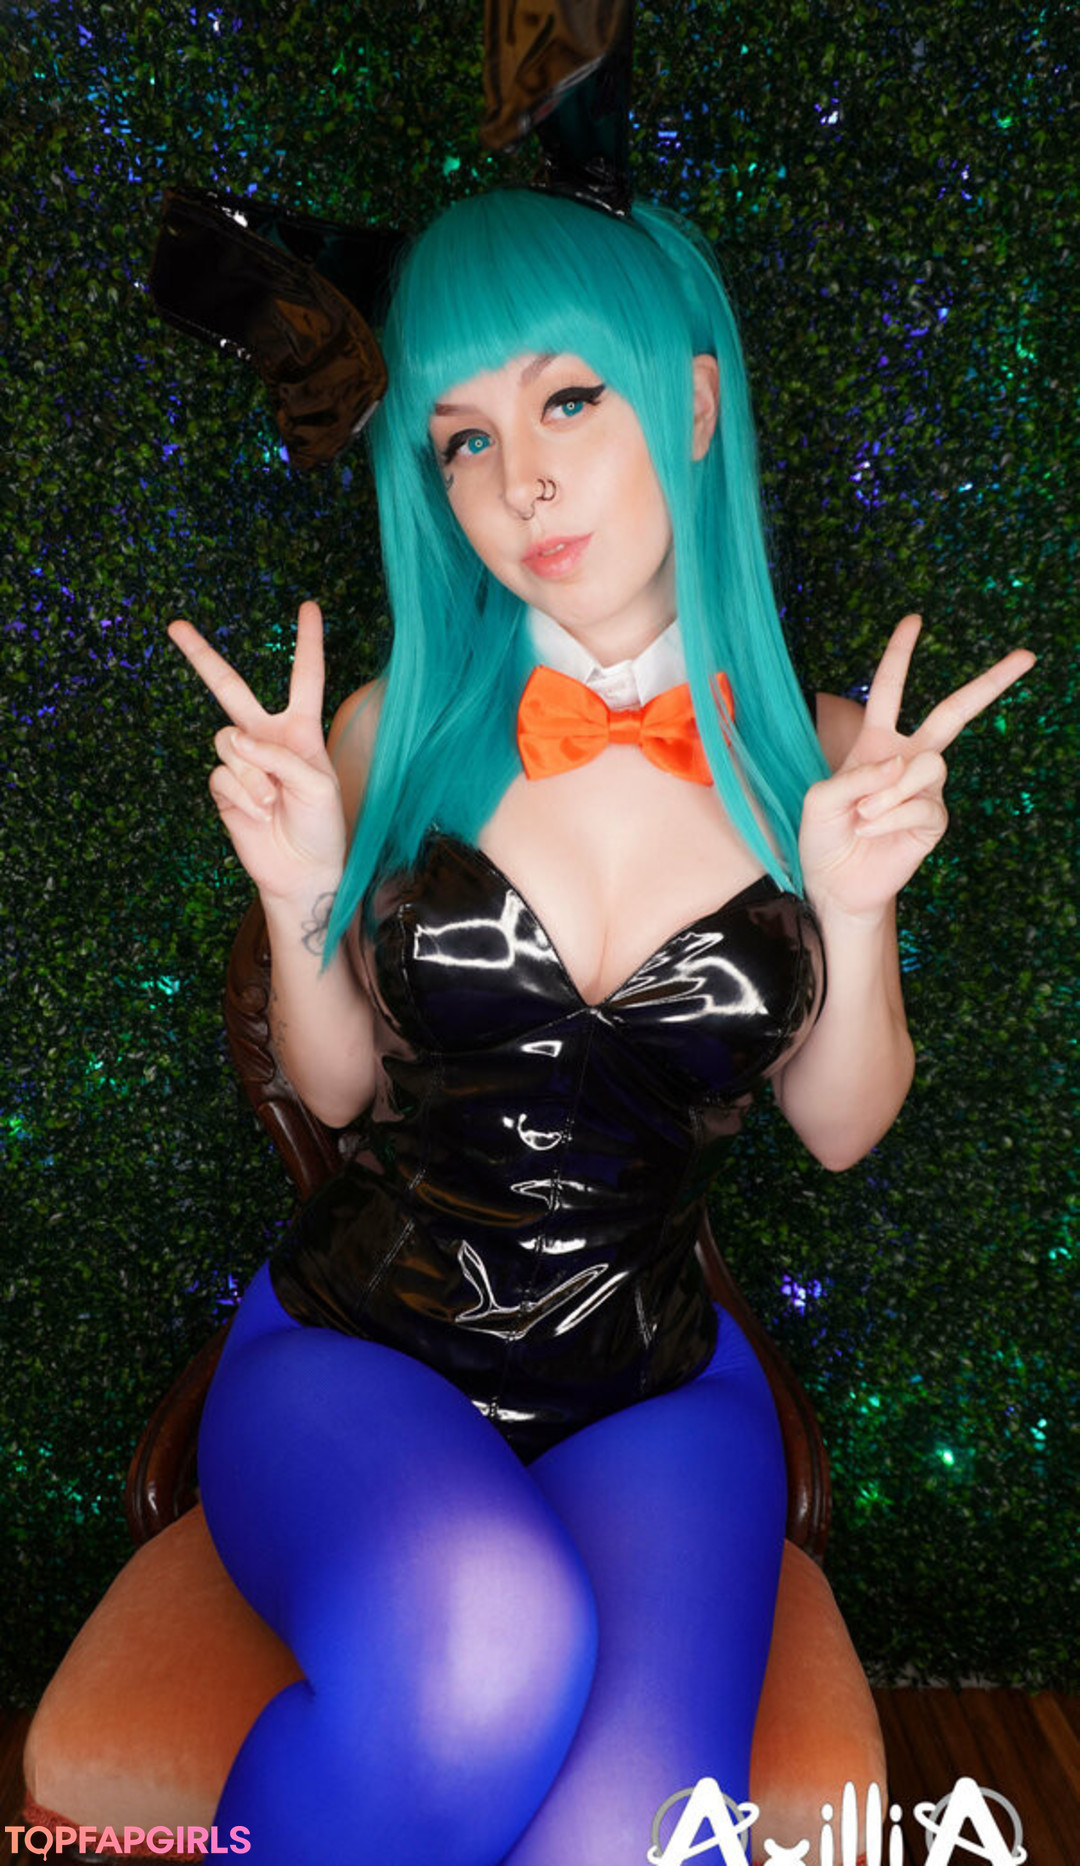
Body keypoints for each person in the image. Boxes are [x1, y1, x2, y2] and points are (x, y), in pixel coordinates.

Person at [168, 187, 1033, 1866]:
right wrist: (296, 892)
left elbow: (841, 1125)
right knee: (479, 1643)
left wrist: (855, 905)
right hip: (359, 1350)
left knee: (638, 1838)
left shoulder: (827, 754)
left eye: (569, 399)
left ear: (693, 401)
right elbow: (333, 1091)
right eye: (466, 439)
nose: (523, 483)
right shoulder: (389, 726)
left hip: (653, 1390)